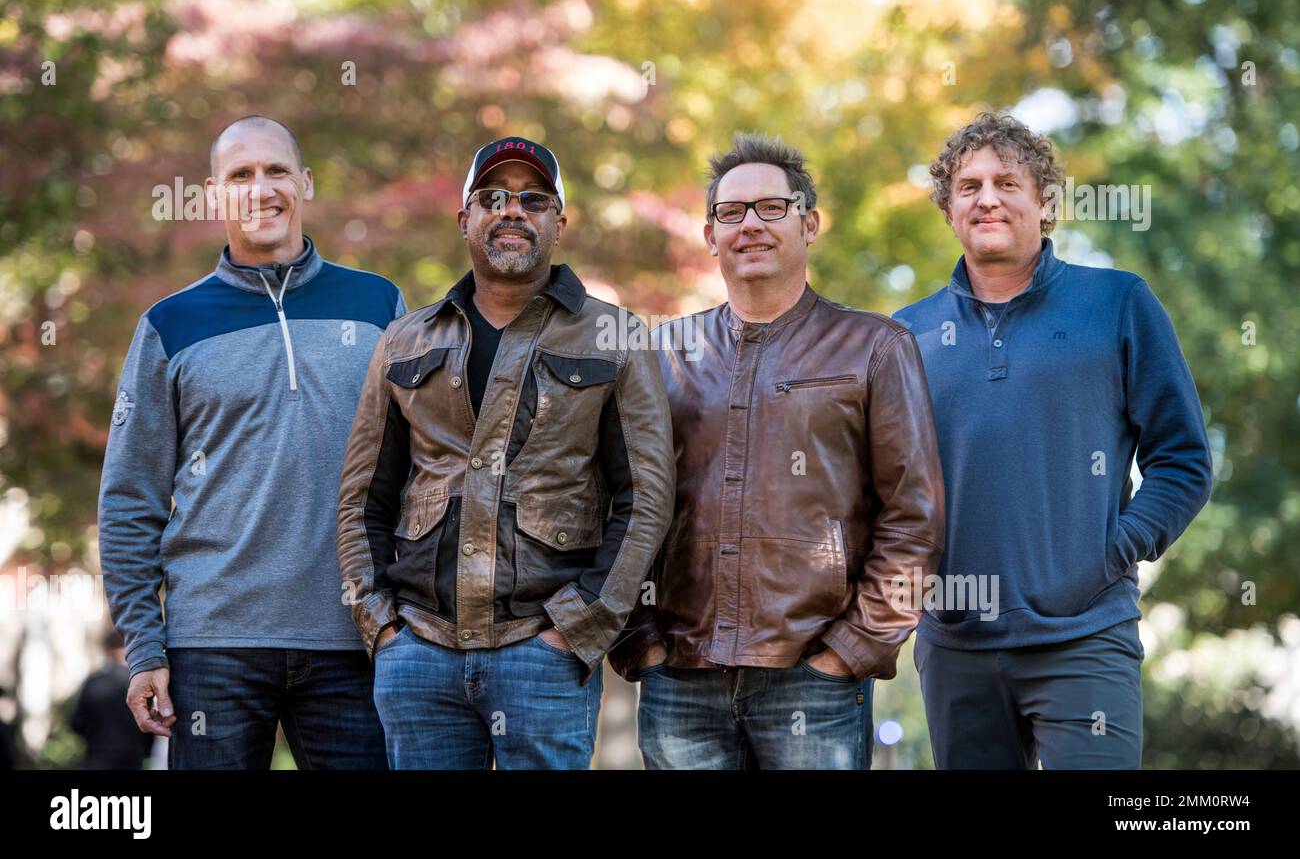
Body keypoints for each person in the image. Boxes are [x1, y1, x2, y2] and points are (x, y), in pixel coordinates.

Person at [608, 132, 946, 769]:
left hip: (812, 682)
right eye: (731, 213)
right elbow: (616, 502)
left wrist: (848, 651)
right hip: (680, 678)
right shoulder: (661, 356)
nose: (751, 225)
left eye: (772, 207)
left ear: (808, 222)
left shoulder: (875, 347)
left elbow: (914, 517)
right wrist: (637, 642)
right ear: (710, 235)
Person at [338, 136, 674, 769]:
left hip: (542, 654)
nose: (512, 210)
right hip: (419, 654)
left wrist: (577, 630)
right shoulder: (404, 341)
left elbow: (647, 498)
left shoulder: (617, 336)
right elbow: (362, 498)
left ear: (558, 222)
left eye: (533, 199)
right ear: (466, 219)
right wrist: (381, 626)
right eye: (492, 197)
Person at [894, 112, 1213, 769]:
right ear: (949, 211)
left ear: (1045, 203)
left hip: (1085, 638)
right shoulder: (906, 334)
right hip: (955, 650)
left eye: (1007, 182)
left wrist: (1104, 557)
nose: (987, 198)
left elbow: (1182, 461)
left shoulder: (1117, 304)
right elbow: (884, 486)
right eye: (968, 186)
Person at [99, 115, 403, 769]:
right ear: (214, 196)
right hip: (213, 644)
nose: (260, 188)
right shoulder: (170, 324)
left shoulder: (379, 305)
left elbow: (423, 471)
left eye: (276, 171)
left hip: (357, 638)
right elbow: (130, 498)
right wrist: (145, 649)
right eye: (240, 175)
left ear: (306, 183)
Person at [70, 629, 155, 769]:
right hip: (131, 760)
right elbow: (150, 724)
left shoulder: (94, 682)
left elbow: (77, 723)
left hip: (97, 758)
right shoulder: (141, 685)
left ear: (107, 649)